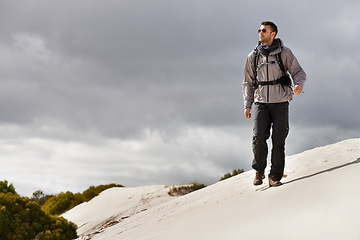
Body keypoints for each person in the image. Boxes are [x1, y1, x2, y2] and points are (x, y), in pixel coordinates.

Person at [242, 21, 306, 187]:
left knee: (278, 140)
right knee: (258, 137)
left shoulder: (284, 53)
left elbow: (299, 72)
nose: (260, 33)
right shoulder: (253, 56)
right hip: (260, 103)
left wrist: (298, 84)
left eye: (264, 30)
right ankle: (259, 171)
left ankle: (274, 177)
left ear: (273, 34)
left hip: (281, 102)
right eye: (259, 30)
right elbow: (247, 82)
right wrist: (247, 104)